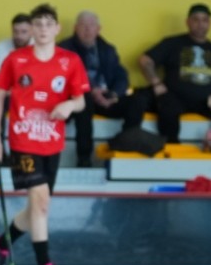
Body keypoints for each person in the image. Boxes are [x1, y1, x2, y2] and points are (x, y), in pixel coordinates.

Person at [0, 4, 88, 265]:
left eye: (48, 24)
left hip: (52, 142)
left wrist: (69, 105)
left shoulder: (70, 61)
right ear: (31, 29)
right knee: (41, 202)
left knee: (38, 207)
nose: (43, 29)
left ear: (57, 29)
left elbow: (81, 100)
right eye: (38, 24)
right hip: (23, 140)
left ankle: (1, 243)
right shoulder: (16, 59)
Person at [59, 10, 148, 167]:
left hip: (106, 96)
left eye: (91, 25)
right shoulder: (64, 48)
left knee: (138, 100)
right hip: (80, 96)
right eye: (83, 25)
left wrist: (114, 94)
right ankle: (84, 158)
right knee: (83, 101)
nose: (87, 29)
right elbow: (68, 76)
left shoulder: (107, 49)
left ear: (98, 29)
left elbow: (121, 75)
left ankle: (125, 146)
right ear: (75, 28)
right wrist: (92, 90)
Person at [138, 3, 211, 143]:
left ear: (209, 23)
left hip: (209, 102)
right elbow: (145, 60)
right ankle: (172, 148)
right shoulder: (172, 43)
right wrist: (156, 82)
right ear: (188, 22)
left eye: (205, 20)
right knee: (167, 105)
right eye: (196, 19)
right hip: (176, 98)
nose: (200, 24)